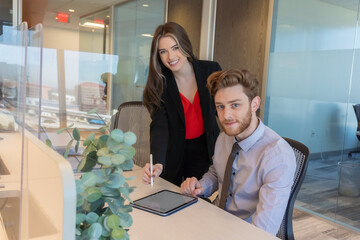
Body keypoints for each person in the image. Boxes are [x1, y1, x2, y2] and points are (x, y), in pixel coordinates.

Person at [180, 69, 296, 235]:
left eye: (235, 105)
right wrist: (201, 186)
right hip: (214, 219)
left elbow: (262, 232)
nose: (226, 115)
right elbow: (216, 172)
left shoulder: (277, 155)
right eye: (220, 107)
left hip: (244, 231)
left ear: (254, 104)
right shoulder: (223, 138)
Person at [142, 22, 221, 186]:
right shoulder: (160, 84)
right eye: (163, 52)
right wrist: (157, 162)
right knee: (168, 200)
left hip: (206, 149)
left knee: (201, 199)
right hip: (174, 151)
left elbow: (225, 107)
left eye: (175, 48)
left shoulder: (211, 70)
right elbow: (159, 125)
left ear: (185, 45)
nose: (170, 57)